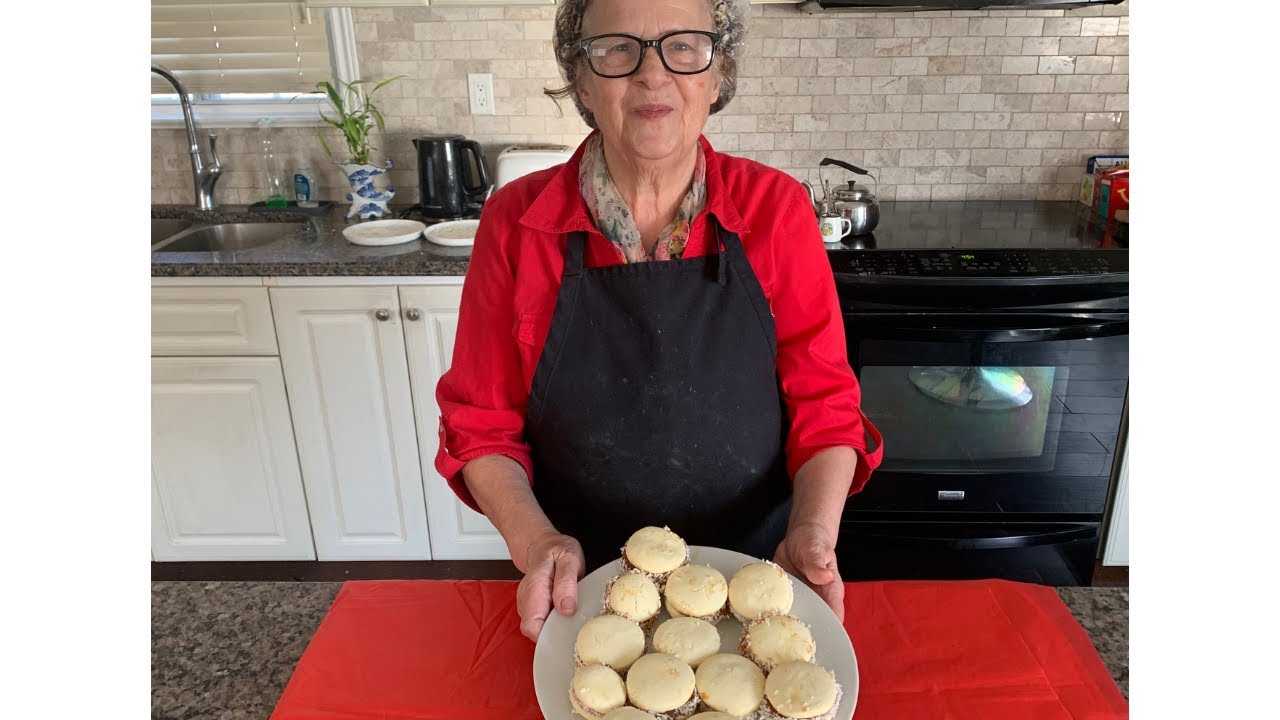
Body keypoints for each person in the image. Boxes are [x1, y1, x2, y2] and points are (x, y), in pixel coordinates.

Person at [434, 0, 883, 641]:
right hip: (580, 586)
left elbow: (825, 404)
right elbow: (481, 423)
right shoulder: (515, 220)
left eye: (685, 46)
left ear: (717, 73)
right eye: (618, 47)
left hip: (757, 576)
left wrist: (811, 533)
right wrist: (537, 543)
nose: (653, 74)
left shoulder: (776, 208)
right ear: (580, 77)